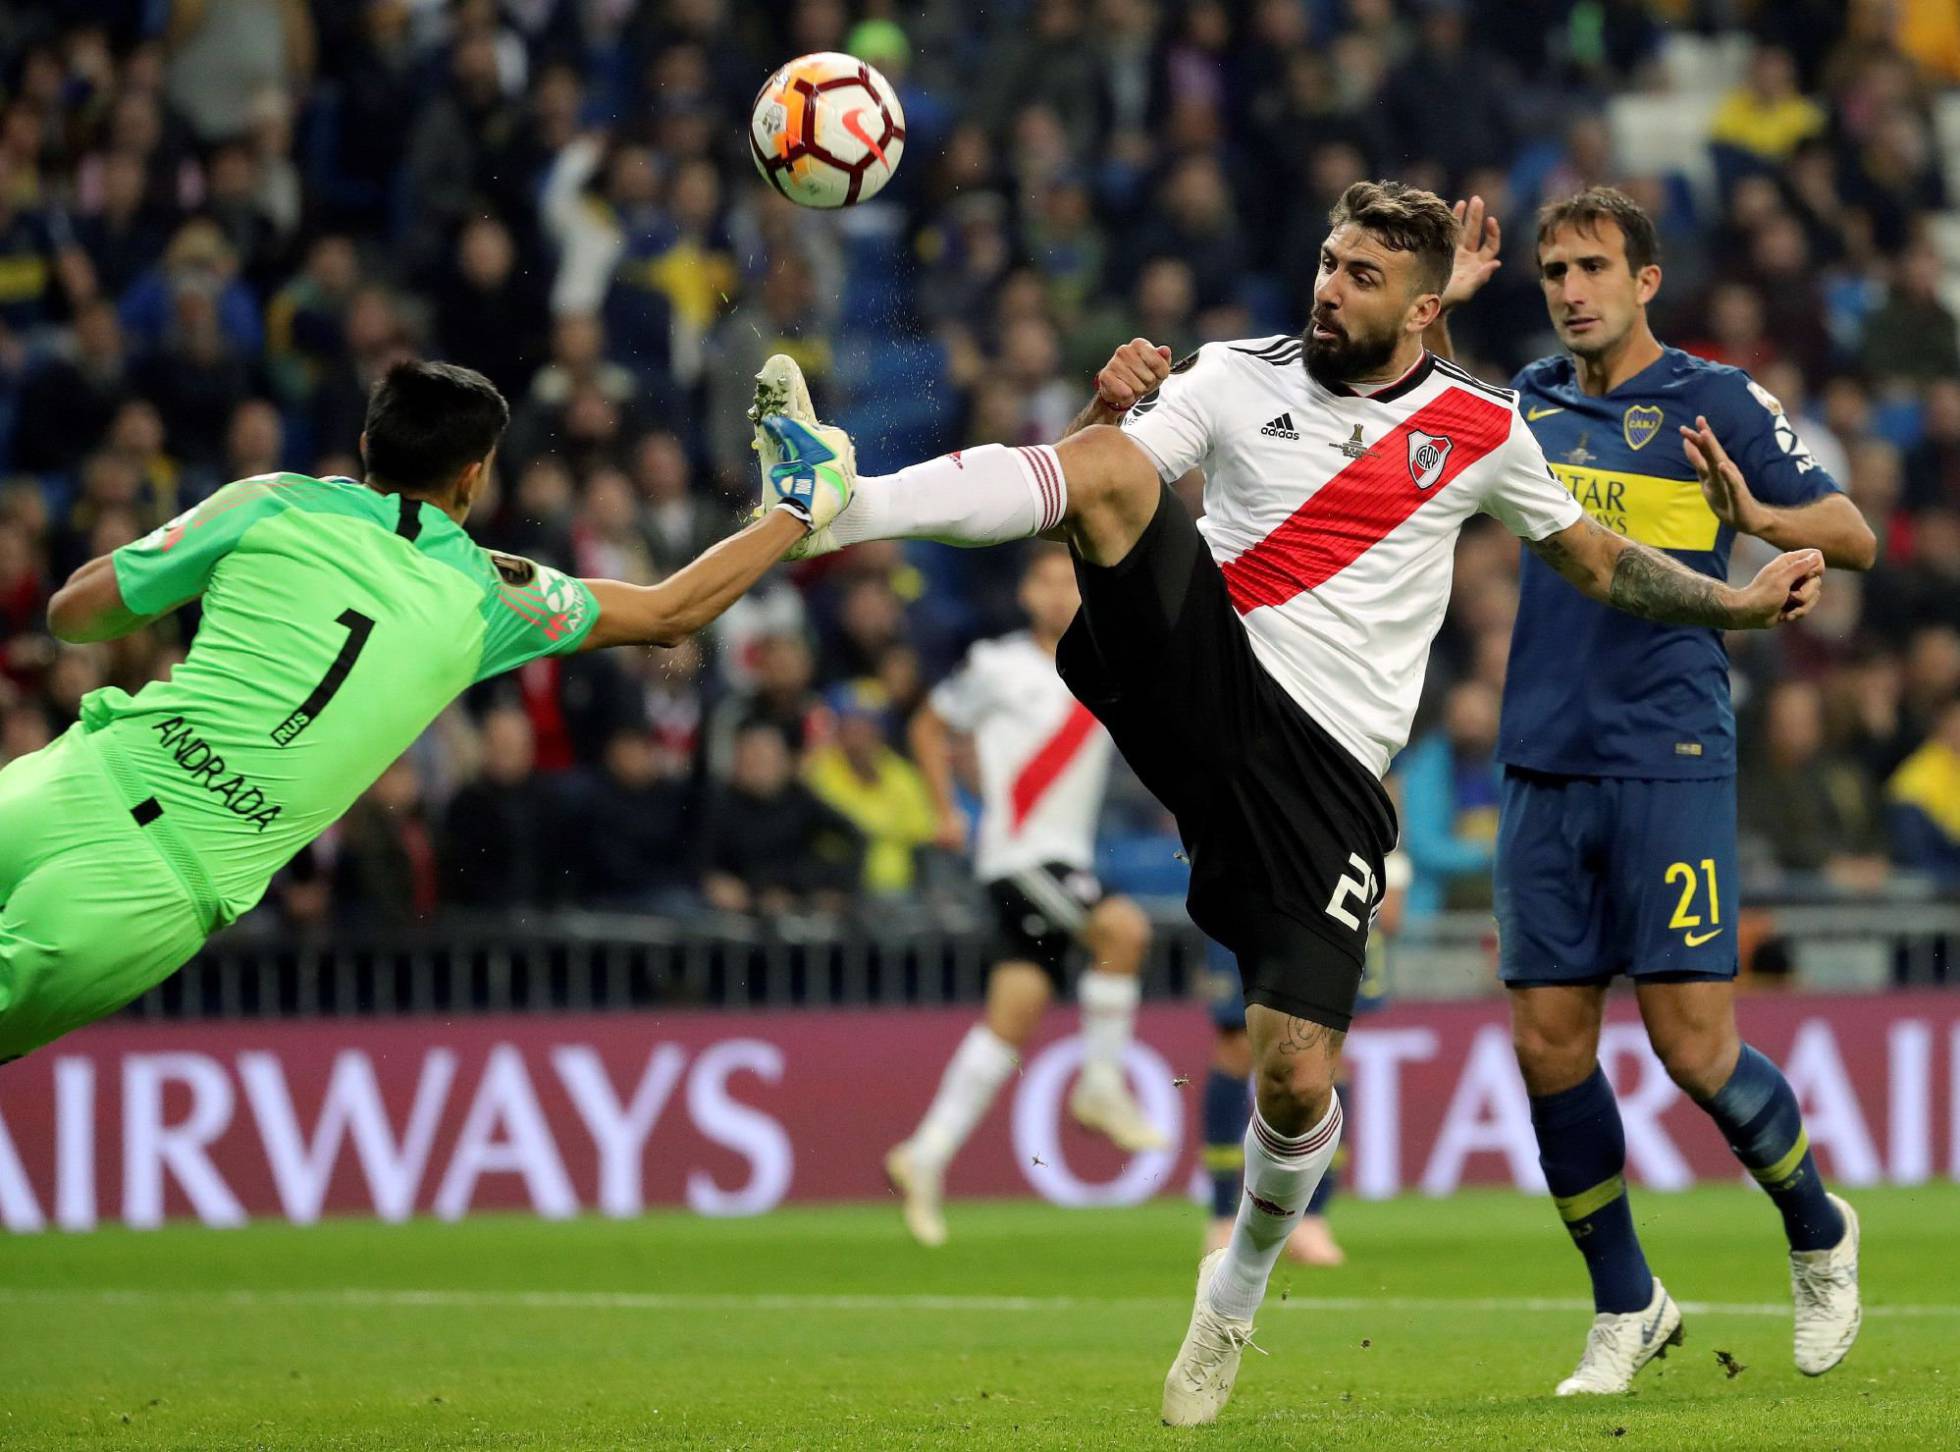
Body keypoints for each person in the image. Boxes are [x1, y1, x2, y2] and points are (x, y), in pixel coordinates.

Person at [746, 180, 1826, 1426]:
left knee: (1295, 1075)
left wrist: (1738, 604)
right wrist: (1098, 417)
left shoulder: (1480, 428)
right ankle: (841, 499)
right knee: (1104, 471)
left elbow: (1597, 559)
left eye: (1362, 278)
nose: (1327, 287)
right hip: (1208, 674)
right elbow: (1098, 477)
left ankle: (1234, 1292)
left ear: (1420, 310)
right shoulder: (1232, 374)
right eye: (1327, 261)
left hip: (1326, 779)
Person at [0, 360, 851, 1063]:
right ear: (475, 475)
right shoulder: (491, 595)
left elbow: (76, 612)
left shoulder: (268, 499)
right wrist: (795, 508)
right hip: (154, 883)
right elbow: (673, 609)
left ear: (368, 445)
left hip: (70, 782)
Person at [1432, 186, 1875, 1394]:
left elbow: (1852, 532)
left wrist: (1754, 517)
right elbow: (1410, 417)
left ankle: (1818, 1229)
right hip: (1540, 757)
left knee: (1691, 1045)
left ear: (1645, 280)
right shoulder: (1525, 397)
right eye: (1551, 269)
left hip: (1669, 755)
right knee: (1545, 1045)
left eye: (1589, 267)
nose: (1568, 288)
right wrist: (1444, 315)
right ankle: (1626, 1302)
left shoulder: (1714, 398)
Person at [886, 543, 1159, 1248]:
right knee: (1123, 931)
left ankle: (926, 1152)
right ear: (1027, 595)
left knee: (1015, 1014)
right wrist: (948, 810)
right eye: (1046, 580)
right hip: (1022, 857)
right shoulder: (997, 665)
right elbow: (927, 724)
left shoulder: (1108, 664)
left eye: (1072, 580)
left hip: (1059, 857)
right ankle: (1099, 1086)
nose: (1060, 593)